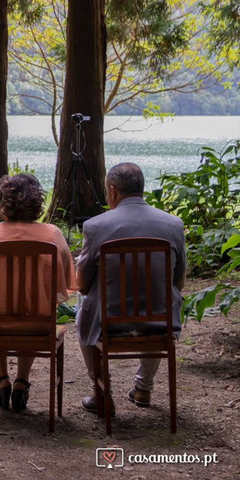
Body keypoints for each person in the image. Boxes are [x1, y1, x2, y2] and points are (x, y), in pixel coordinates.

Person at [76, 162, 186, 415]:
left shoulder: (95, 226)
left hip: (109, 322)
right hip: (161, 321)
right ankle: (143, 387)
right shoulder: (173, 224)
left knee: (84, 307)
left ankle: (101, 393)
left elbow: (82, 284)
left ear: (112, 191)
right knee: (162, 300)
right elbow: (179, 281)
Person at [0, 174, 76, 412]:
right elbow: (66, 279)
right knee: (33, 310)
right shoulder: (52, 234)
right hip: (39, 325)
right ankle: (22, 381)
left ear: (2, 203)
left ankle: (2, 379)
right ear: (38, 203)